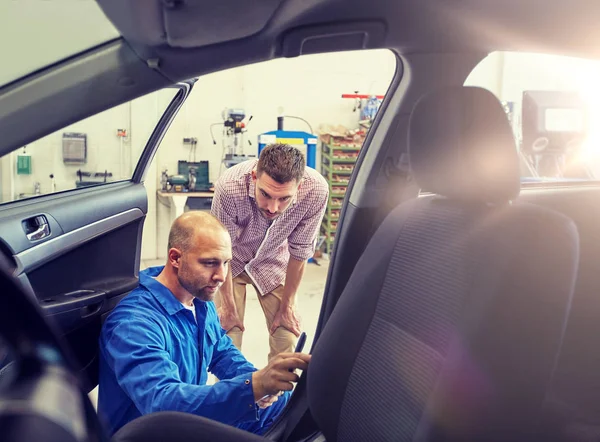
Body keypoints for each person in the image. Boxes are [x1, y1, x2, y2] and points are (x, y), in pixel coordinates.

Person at [98, 211, 310, 436]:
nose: (221, 275)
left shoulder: (198, 296)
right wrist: (253, 387)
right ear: (176, 258)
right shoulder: (134, 325)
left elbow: (221, 353)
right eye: (210, 263)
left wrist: (263, 382)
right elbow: (163, 404)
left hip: (185, 423)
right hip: (150, 432)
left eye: (226, 262)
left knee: (286, 407)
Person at [211, 143, 329, 360]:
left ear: (300, 186)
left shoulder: (316, 190)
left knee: (287, 335)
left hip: (273, 261)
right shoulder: (229, 187)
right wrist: (227, 306)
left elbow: (300, 252)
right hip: (232, 261)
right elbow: (220, 250)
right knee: (226, 335)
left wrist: (288, 306)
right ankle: (233, 392)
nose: (273, 208)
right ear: (255, 176)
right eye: (265, 194)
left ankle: (276, 393)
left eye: (284, 198)